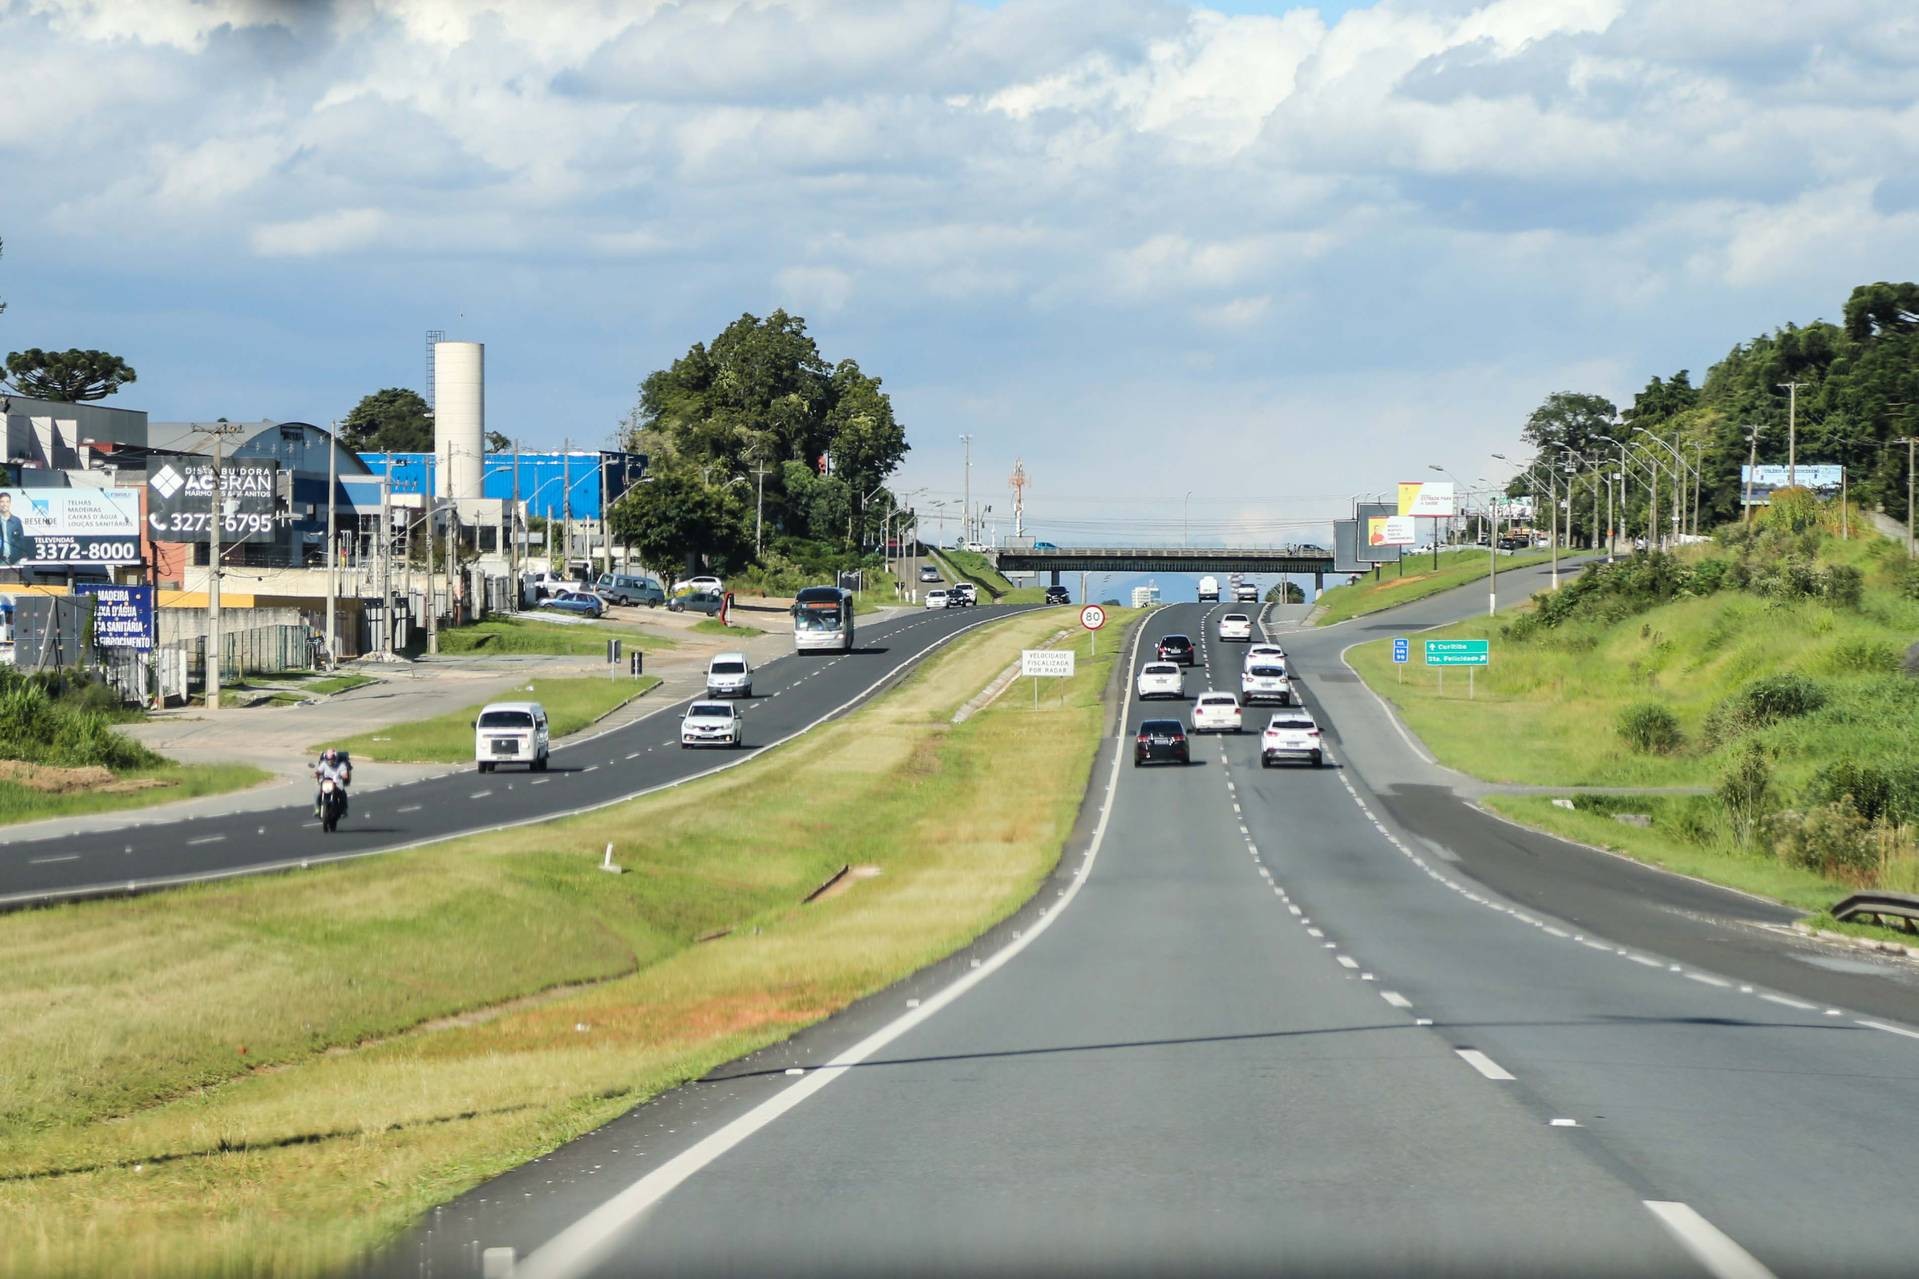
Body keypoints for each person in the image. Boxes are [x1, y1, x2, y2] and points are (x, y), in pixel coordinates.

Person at [313, 748, 351, 818]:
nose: (330, 761)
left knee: (343, 794)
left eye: (331, 759)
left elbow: (344, 774)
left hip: (337, 783)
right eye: (328, 759)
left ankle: (343, 810)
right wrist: (316, 774)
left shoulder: (341, 765)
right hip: (326, 782)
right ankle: (317, 809)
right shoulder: (324, 764)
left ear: (335, 758)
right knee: (316, 793)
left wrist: (344, 775)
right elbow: (319, 771)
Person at [0, 492, 31, 565]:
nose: (5, 504)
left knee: (14, 576)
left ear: (10, 503)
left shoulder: (16, 521)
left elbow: (21, 540)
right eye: (2, 501)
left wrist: (24, 556)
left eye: (7, 502)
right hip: (1, 560)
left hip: (15, 561)